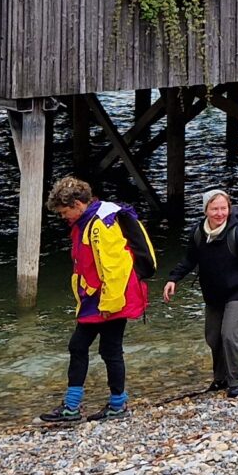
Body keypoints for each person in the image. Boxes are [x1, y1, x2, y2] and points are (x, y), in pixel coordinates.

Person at [39, 175, 158, 425]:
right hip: (101, 296)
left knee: (97, 348)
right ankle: (105, 404)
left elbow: (116, 267)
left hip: (110, 298)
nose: (63, 218)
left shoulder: (101, 224)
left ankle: (96, 406)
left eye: (64, 212)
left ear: (78, 205)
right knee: (94, 348)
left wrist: (109, 305)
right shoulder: (92, 220)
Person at [163, 188, 238, 396]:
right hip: (214, 292)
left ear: (229, 208)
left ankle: (236, 383)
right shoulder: (198, 232)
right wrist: (173, 279)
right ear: (206, 210)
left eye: (224, 208)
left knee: (231, 336)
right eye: (214, 209)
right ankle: (220, 379)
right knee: (214, 337)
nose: (219, 213)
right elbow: (190, 259)